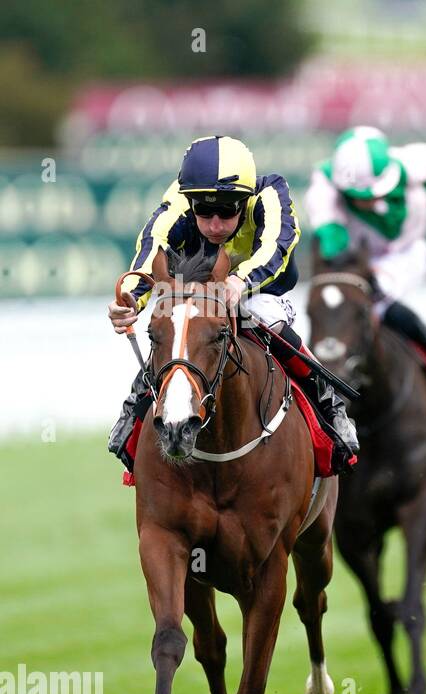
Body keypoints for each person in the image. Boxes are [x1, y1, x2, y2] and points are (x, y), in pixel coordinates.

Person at [107, 134, 359, 475]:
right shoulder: (178, 203)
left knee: (265, 316)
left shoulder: (270, 193)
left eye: (226, 211)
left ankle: (330, 406)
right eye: (204, 210)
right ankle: (134, 412)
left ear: (244, 201)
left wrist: (241, 282)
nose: (214, 224)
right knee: (173, 325)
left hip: (262, 289)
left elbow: (278, 243)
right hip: (199, 289)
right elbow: (152, 247)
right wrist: (131, 300)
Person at [305, 125, 426, 445]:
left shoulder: (413, 162)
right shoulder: (323, 192)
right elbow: (333, 245)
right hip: (358, 263)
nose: (374, 200)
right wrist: (354, 266)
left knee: (380, 305)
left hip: (406, 255)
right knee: (339, 311)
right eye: (363, 197)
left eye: (378, 192)